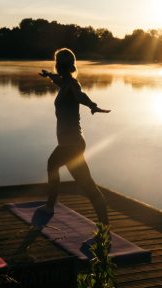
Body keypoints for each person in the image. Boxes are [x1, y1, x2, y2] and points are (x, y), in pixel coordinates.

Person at [38, 47, 110, 225]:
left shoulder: (71, 85)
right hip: (69, 142)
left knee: (87, 185)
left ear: (59, 65)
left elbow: (80, 95)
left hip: (72, 144)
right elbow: (60, 81)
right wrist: (49, 75)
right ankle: (50, 205)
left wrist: (92, 105)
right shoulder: (65, 82)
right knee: (54, 166)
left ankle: (105, 226)